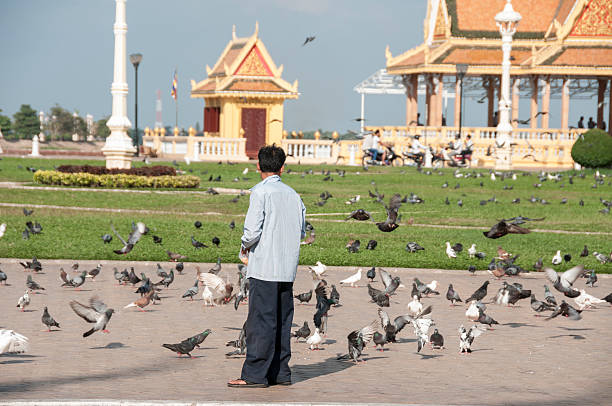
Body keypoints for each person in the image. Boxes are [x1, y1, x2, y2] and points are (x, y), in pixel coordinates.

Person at [228, 145, 306, 388]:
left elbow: (251, 232)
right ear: (283, 168)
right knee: (283, 321)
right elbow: (301, 230)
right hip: (287, 267)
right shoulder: (294, 195)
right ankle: (280, 372)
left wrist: (244, 247)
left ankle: (255, 374)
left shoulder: (260, 193)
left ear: (258, 166)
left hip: (264, 267)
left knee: (261, 321)